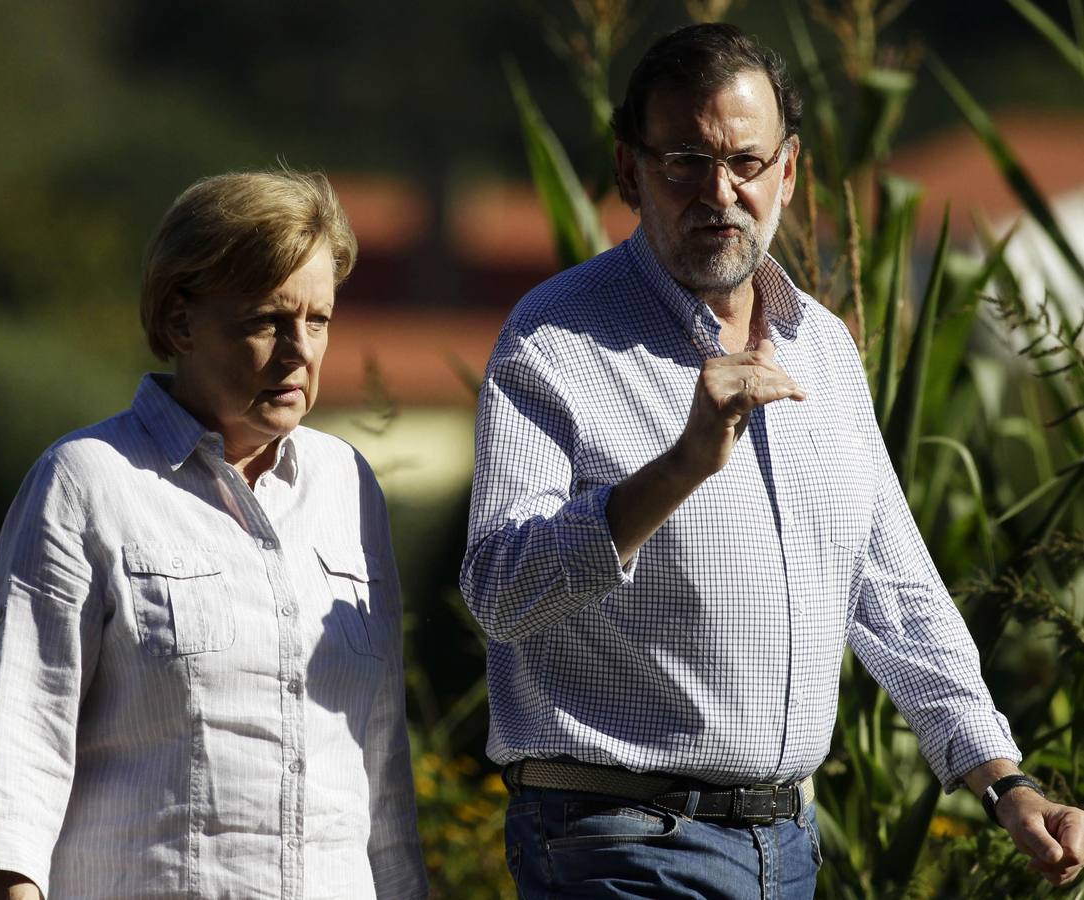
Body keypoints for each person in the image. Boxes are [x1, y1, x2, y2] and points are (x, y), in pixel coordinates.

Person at [461, 23, 1084, 898]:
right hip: (619, 846)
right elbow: (501, 593)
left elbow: (894, 590)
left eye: (744, 163)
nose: (720, 192)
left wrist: (1002, 780)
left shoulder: (821, 347)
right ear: (627, 172)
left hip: (785, 849)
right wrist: (679, 466)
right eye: (683, 160)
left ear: (786, 172)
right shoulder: (553, 340)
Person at [0, 169, 428, 900]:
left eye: (318, 320)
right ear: (180, 321)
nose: (298, 350)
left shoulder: (347, 485)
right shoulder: (88, 482)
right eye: (267, 320)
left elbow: (378, 761)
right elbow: (21, 753)